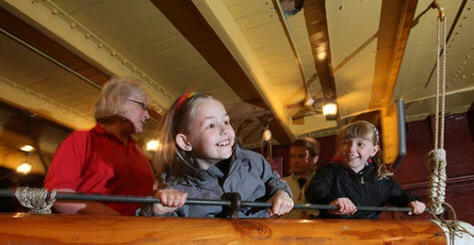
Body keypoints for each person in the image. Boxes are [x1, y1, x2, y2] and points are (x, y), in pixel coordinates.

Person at [44, 77, 186, 216]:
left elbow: (143, 198)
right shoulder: (81, 140)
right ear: (118, 102)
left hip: (136, 234)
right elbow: (58, 196)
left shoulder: (139, 155)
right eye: (142, 106)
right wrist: (117, 221)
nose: (148, 116)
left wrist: (163, 195)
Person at [148, 93, 293, 218]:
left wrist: (281, 193)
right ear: (186, 141)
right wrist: (156, 211)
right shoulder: (179, 192)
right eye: (211, 125)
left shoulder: (253, 162)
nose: (225, 129)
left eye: (226, 121)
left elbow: (272, 181)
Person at [305, 120, 425, 219]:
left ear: (373, 150)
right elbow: (314, 192)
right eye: (346, 143)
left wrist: (413, 201)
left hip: (367, 234)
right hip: (334, 234)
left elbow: (401, 196)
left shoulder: (382, 179)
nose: (351, 149)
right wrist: (332, 201)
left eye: (360, 144)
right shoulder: (330, 170)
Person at [282, 137, 320, 218]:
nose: (296, 160)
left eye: (301, 156)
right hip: (285, 229)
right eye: (292, 156)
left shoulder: (323, 182)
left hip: (314, 229)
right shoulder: (281, 183)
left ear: (315, 159)